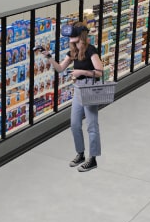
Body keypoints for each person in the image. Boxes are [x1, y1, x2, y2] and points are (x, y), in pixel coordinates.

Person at [37, 22, 104, 172]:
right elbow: (60, 69)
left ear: (81, 35)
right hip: (78, 89)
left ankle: (92, 159)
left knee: (92, 126)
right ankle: (80, 154)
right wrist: (49, 57)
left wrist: (82, 72)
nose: (70, 38)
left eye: (73, 36)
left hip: (90, 88)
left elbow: (99, 72)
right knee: (74, 124)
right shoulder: (73, 51)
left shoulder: (91, 51)